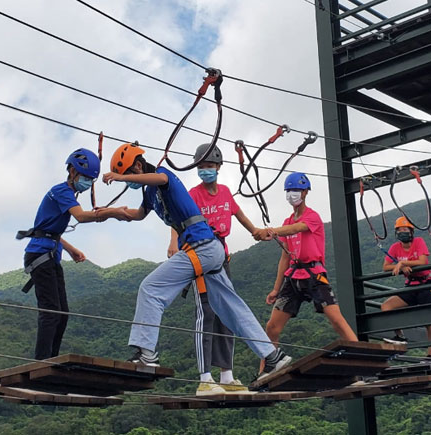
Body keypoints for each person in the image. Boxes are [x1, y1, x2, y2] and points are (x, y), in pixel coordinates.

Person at [96, 143, 291, 386]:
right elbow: (137, 214)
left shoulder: (163, 175)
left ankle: (147, 354)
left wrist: (118, 176)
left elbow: (158, 177)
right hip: (210, 251)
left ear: (137, 165)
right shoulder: (149, 193)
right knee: (231, 307)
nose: (128, 181)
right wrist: (110, 212)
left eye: (129, 175)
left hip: (202, 247)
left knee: (151, 288)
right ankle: (272, 356)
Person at [21, 148, 130, 360]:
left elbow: (50, 230)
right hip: (39, 256)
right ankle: (42, 362)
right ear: (72, 171)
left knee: (62, 314)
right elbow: (80, 216)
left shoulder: (66, 194)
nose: (88, 183)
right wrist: (112, 213)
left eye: (91, 180)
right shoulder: (61, 191)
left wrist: (70, 250)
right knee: (51, 312)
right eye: (86, 177)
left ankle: (51, 358)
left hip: (49, 254)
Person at [170, 143, 260, 395]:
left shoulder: (226, 193)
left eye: (208, 166)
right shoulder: (193, 194)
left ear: (218, 167)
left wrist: (255, 231)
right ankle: (205, 377)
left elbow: (239, 214)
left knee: (227, 313)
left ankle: (227, 376)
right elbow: (177, 219)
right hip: (200, 255)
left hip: (222, 257)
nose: (205, 170)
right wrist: (172, 242)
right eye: (201, 166)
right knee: (206, 312)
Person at [256, 173, 357, 356]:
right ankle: (269, 367)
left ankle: (362, 357)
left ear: (305, 192)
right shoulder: (287, 221)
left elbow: (298, 228)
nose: (291, 194)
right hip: (294, 277)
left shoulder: (312, 217)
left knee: (336, 320)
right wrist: (275, 288)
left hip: (314, 274)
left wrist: (271, 232)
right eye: (288, 190)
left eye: (295, 190)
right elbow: (285, 258)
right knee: (272, 327)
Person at [379, 216, 431, 357]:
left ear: (411, 231)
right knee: (386, 306)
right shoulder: (395, 247)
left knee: (429, 321)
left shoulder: (418, 242)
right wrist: (399, 266)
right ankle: (400, 335)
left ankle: (430, 356)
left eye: (405, 229)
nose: (402, 232)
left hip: (425, 283)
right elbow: (385, 267)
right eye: (399, 230)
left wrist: (404, 263)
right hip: (410, 285)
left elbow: (423, 261)